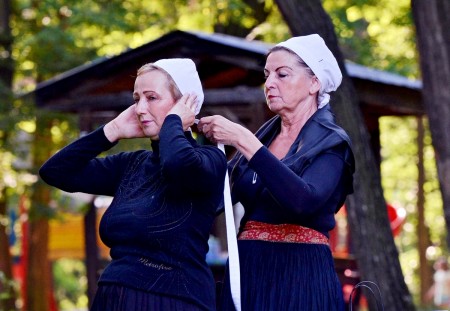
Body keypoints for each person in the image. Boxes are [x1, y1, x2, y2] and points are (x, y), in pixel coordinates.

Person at [39, 58, 227, 311]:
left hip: (173, 301)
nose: (139, 108)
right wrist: (112, 130)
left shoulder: (210, 160)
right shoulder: (131, 165)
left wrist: (174, 122)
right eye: (136, 98)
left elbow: (177, 165)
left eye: (151, 97)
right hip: (113, 297)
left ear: (185, 104)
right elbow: (55, 172)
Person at [198, 34, 355, 311]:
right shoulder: (265, 136)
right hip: (249, 272)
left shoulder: (332, 142)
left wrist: (244, 140)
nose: (269, 83)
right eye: (267, 75)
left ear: (314, 83)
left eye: (282, 74)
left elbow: (303, 202)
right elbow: (213, 199)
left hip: (301, 276)